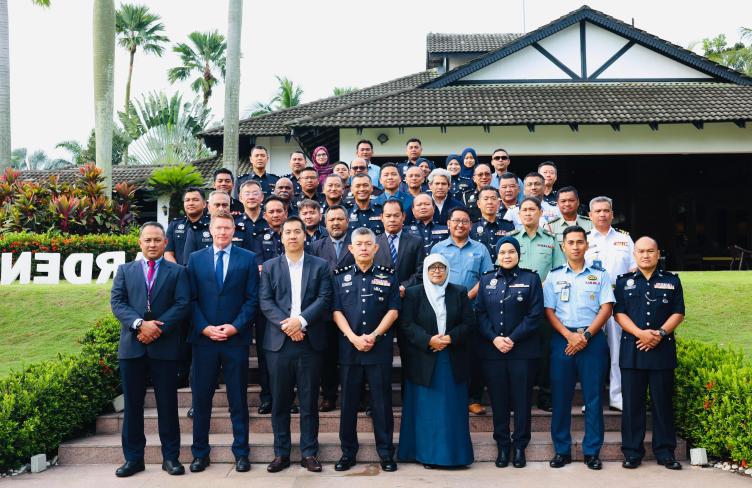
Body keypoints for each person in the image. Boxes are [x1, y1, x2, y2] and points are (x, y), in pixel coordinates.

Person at [110, 222, 191, 478]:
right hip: (132, 348)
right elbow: (117, 302)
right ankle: (133, 459)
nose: (152, 244)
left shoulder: (177, 272)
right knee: (133, 407)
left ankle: (171, 458)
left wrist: (157, 328)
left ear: (165, 242)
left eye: (157, 240)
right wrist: (139, 325)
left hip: (164, 348)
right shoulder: (125, 270)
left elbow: (182, 304)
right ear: (140, 243)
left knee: (167, 405)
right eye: (148, 240)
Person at [259, 217, 334, 473]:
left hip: (309, 341)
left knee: (309, 399)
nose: (292, 236)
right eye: (287, 232)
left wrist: (300, 322)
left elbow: (324, 298)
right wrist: (288, 325)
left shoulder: (321, 266)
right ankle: (281, 453)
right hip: (279, 343)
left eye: (296, 232)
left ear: (305, 236)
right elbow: (266, 301)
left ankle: (309, 452)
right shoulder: (269, 267)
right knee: (280, 401)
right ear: (281, 237)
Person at [186, 211, 258, 473]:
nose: (223, 232)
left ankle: (241, 453)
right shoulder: (195, 260)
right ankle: (199, 454)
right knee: (201, 400)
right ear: (211, 230)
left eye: (228, 228)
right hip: (203, 341)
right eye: (219, 228)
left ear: (233, 231)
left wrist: (235, 327)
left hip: (235, 341)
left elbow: (252, 299)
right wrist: (204, 328)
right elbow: (190, 299)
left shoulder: (247, 259)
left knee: (237, 400)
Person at [544, 226, 614, 470]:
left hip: (592, 340)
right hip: (562, 339)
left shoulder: (600, 275)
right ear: (563, 247)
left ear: (586, 245)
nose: (575, 246)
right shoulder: (553, 276)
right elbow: (549, 311)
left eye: (579, 242)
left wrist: (584, 336)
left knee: (593, 398)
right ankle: (561, 450)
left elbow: (607, 308)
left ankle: (592, 451)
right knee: (561, 397)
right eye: (570, 243)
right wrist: (568, 336)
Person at [332, 228, 400, 473]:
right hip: (349, 350)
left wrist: (373, 335)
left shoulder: (389, 275)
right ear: (350, 248)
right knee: (349, 403)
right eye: (358, 244)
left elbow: (393, 310)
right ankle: (348, 453)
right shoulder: (339, 276)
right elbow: (336, 311)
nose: (363, 247)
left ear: (376, 248)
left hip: (378, 348)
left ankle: (386, 454)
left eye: (367, 244)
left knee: (382, 404)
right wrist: (353, 337)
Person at [614, 237, 685, 471]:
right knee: (632, 405)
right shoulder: (624, 283)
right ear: (634, 254)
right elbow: (619, 314)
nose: (645, 255)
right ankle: (632, 452)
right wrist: (640, 334)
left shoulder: (672, 281)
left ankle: (665, 452)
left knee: (662, 404)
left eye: (650, 251)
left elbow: (678, 312)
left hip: (661, 350)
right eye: (641, 251)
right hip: (633, 351)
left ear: (657, 254)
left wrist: (660, 334)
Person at [398, 254, 475, 468]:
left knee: (451, 410)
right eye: (432, 268)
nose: (437, 272)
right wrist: (428, 340)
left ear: (447, 270)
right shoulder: (414, 294)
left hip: (451, 359)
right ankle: (427, 455)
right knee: (427, 413)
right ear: (425, 271)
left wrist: (451, 337)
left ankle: (454, 456)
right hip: (424, 359)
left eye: (441, 267)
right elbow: (406, 324)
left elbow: (469, 323)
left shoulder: (458, 292)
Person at [477, 236, 543, 468]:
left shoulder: (531, 279)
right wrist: (495, 338)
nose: (507, 256)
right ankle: (503, 445)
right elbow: (480, 314)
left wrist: (512, 339)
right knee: (499, 400)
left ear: (518, 254)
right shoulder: (486, 280)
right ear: (496, 255)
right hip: (493, 352)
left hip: (522, 351)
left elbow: (535, 316)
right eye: (503, 252)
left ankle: (519, 447)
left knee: (522, 400)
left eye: (511, 252)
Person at [504, 197, 565, 412]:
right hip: (514, 305)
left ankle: (546, 395)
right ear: (519, 215)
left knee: (546, 350)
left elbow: (559, 272)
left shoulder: (551, 240)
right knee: (516, 350)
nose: (528, 213)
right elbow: (502, 268)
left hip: (545, 304)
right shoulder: (510, 239)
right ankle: (516, 395)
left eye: (532, 209)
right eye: (524, 210)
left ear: (541, 212)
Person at [432, 206, 494, 415]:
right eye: (456, 220)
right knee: (447, 355)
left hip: (473, 310)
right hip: (443, 310)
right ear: (448, 224)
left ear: (471, 224)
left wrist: (465, 298)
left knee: (472, 356)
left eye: (465, 221)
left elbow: (486, 279)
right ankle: (449, 396)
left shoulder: (480, 249)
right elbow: (432, 277)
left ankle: (473, 398)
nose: (460, 225)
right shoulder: (438, 249)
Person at [586, 196, 636, 412]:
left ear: (612, 214)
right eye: (597, 211)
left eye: (606, 210)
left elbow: (635, 268)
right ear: (590, 215)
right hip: (591, 302)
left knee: (617, 350)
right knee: (593, 352)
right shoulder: (585, 239)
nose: (602, 214)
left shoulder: (625, 240)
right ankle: (592, 400)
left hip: (618, 302)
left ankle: (616, 396)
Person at [309, 205, 355, 411]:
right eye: (331, 220)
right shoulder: (316, 246)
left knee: (352, 355)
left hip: (352, 309)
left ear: (347, 221)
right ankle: (328, 395)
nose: (335, 223)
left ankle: (356, 396)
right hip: (325, 311)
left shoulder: (357, 244)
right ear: (325, 223)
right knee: (327, 357)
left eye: (339, 219)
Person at [374, 199, 424, 297]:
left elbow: (421, 271)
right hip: (380, 297)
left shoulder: (416, 242)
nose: (392, 219)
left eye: (396, 215)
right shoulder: (373, 242)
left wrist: (404, 286)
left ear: (403, 216)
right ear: (382, 217)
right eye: (388, 216)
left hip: (408, 297)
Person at [469, 186, 515, 262]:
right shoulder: (472, 228)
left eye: (493, 198)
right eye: (486, 199)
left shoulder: (508, 226)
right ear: (478, 204)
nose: (489, 202)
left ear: (499, 203)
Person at [164, 187, 208, 266]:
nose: (190, 203)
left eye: (195, 200)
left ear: (204, 204)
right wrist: (179, 271)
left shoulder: (212, 225)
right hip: (179, 273)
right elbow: (168, 253)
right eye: (187, 200)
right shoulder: (174, 225)